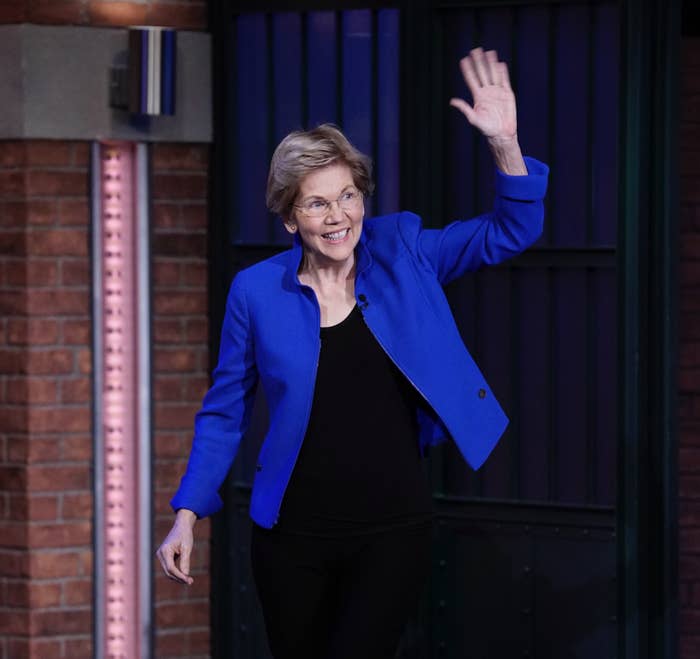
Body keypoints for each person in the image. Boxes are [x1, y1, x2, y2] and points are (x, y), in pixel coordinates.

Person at [157, 47, 549, 659]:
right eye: (317, 203)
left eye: (348, 196)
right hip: (290, 538)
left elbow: (511, 232)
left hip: (392, 531)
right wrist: (187, 511)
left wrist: (506, 145)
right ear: (289, 217)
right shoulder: (256, 292)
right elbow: (225, 408)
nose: (339, 217)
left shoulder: (406, 250)